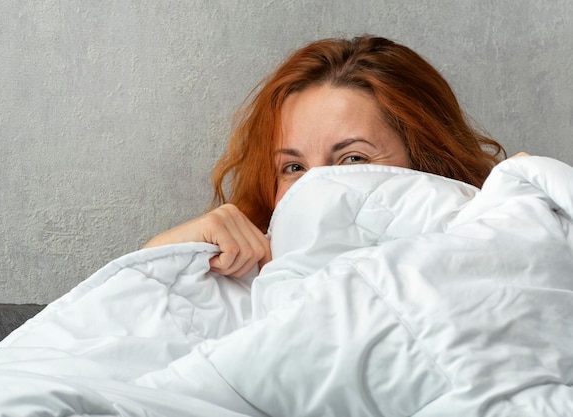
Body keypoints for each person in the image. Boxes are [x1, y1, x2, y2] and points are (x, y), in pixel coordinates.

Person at [143, 34, 506, 278]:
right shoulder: (243, 275)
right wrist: (164, 257)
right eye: (294, 167)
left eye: (353, 160)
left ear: (426, 162)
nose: (316, 188)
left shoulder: (499, 255)